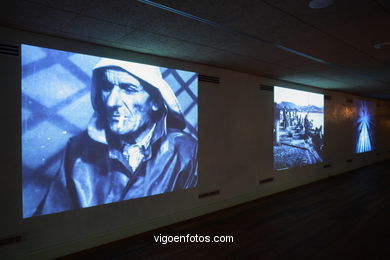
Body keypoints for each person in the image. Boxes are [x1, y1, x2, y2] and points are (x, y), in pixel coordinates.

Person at [34, 58, 198, 216]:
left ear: (155, 101)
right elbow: (52, 214)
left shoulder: (186, 151)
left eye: (129, 89)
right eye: (106, 86)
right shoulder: (77, 150)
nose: (111, 102)